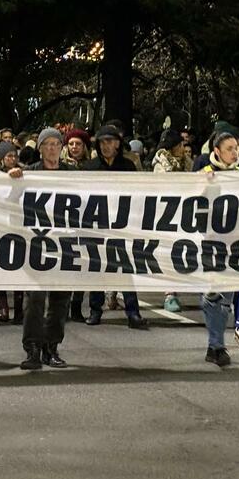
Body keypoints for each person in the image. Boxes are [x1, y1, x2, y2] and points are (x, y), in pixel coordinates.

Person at [7, 127, 74, 370]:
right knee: (35, 299)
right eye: (47, 144)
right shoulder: (29, 174)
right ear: (40, 148)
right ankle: (33, 348)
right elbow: (10, 201)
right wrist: (14, 179)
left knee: (60, 300)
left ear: (61, 147)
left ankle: (51, 347)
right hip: (35, 245)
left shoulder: (72, 174)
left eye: (57, 144)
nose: (52, 148)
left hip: (64, 246)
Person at [81, 124, 148, 329]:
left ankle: (133, 312)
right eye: (102, 142)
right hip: (97, 224)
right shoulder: (90, 167)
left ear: (118, 144)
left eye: (109, 141)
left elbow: (138, 194)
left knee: (125, 267)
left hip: (122, 224)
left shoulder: (128, 166)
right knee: (97, 267)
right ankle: (95, 310)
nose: (105, 146)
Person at [196, 132, 239, 366]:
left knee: (224, 299)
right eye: (229, 148)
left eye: (236, 148)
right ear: (216, 151)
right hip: (209, 243)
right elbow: (189, 203)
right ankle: (218, 346)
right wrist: (206, 186)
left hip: (234, 244)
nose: (235, 152)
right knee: (214, 295)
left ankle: (214, 346)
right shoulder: (204, 175)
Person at [151, 129, 191, 313]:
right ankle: (169, 294)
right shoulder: (161, 164)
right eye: (181, 145)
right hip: (167, 215)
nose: (184, 148)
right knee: (169, 254)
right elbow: (164, 188)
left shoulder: (187, 163)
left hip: (186, 213)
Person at [0, 140, 24, 323]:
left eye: (14, 155)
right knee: (2, 266)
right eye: (8, 156)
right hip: (0, 224)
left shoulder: (25, 174)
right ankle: (3, 307)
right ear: (2, 159)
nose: (12, 159)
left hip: (18, 225)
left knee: (18, 266)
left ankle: (18, 309)